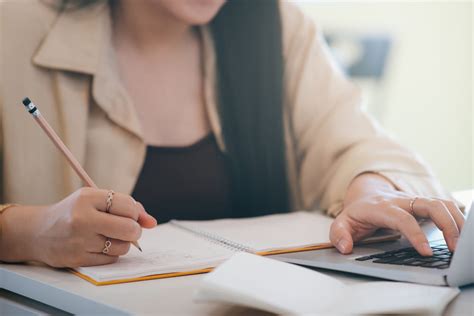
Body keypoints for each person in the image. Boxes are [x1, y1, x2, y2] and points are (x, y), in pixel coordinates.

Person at [0, 0, 464, 268]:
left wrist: (371, 189)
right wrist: (29, 232)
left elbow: (359, 142)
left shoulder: (274, 25)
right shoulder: (12, 26)